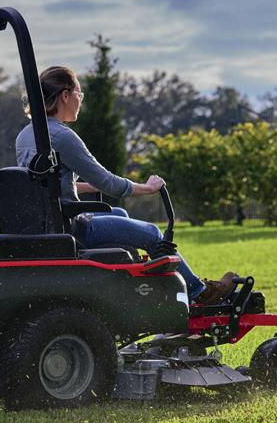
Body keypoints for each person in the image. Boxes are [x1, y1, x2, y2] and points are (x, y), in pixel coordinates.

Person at [16, 66, 236, 304]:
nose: (80, 100)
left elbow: (44, 187)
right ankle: (199, 293)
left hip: (45, 226)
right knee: (152, 233)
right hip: (70, 229)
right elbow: (108, 183)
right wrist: (147, 188)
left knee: (119, 214)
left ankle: (136, 288)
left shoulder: (25, 135)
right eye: (79, 94)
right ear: (65, 96)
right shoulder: (62, 136)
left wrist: (87, 187)